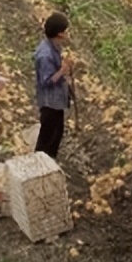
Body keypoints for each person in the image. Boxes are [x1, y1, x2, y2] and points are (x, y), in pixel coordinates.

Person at [34, 12, 74, 159]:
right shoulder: (45, 54)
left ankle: (48, 164)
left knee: (56, 134)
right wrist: (62, 70)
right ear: (60, 34)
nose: (67, 33)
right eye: (66, 30)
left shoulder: (53, 46)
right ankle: (41, 164)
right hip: (49, 102)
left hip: (56, 101)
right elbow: (46, 81)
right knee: (47, 138)